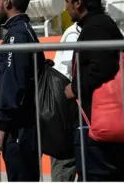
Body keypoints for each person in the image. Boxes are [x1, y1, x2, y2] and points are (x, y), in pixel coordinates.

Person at [62, 0, 124, 181]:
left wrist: (74, 88)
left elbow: (102, 66)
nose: (66, 8)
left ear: (78, 2)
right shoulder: (101, 24)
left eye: (67, 1)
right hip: (105, 125)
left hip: (99, 128)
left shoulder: (95, 27)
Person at [0, 0, 45, 181]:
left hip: (20, 129)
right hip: (22, 127)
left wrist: (1, 127)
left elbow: (14, 84)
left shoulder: (17, 35)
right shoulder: (21, 32)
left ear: (8, 2)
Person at [51, 22, 80, 182]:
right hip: (68, 106)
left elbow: (68, 72)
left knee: (64, 162)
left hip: (69, 109)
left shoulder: (74, 33)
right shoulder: (72, 33)